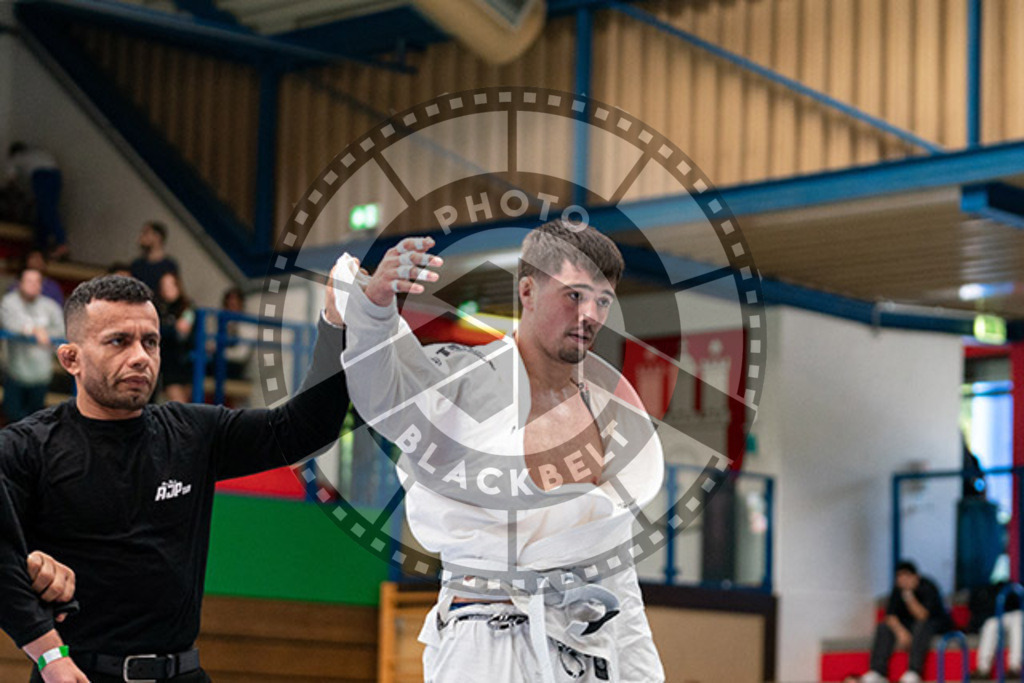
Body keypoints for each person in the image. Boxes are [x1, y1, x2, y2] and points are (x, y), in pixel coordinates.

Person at [339, 220, 665, 682]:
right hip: (483, 644)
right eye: (574, 295)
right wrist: (374, 308)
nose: (589, 314)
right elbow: (388, 397)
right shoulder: (467, 381)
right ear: (527, 291)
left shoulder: (610, 409)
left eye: (603, 300)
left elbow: (616, 573)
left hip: (581, 651)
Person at [0, 272, 350, 682]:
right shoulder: (25, 448)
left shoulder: (194, 433)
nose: (140, 357)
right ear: (70, 358)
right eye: (119, 341)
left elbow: (307, 429)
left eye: (150, 342)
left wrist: (335, 324)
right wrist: (48, 655)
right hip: (74, 673)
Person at [861, 560, 953, 683]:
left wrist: (908, 596)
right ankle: (878, 672)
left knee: (921, 626)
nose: (902, 580)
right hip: (909, 626)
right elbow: (890, 617)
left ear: (915, 577)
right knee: (883, 628)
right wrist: (901, 632)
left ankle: (913, 671)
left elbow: (922, 615)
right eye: (899, 577)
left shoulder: (928, 587)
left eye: (906, 576)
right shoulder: (897, 590)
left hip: (934, 624)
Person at [1, 268, 65, 423]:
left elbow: (61, 330)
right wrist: (32, 330)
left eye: (37, 282)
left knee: (34, 421)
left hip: (41, 375)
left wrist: (45, 333)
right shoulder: (9, 301)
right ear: (20, 283)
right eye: (29, 281)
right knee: (13, 418)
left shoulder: (50, 306)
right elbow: (9, 323)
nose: (33, 285)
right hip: (15, 374)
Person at [5, 143, 67, 259]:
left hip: (41, 176)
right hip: (56, 176)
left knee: (47, 211)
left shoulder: (17, 158)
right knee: (44, 212)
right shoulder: (38, 152)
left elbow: (11, 180)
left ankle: (61, 244)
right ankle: (41, 248)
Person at [156, 271, 195, 403]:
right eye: (164, 286)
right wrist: (172, 329)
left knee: (185, 405)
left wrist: (170, 329)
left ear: (178, 286)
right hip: (167, 364)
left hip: (184, 361)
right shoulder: (158, 308)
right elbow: (159, 331)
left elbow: (184, 329)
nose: (167, 290)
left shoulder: (187, 307)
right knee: (177, 404)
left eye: (170, 285)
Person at [973, 607, 1022, 679]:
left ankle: (1015, 668)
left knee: (1018, 621)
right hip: (1012, 612)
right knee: (991, 624)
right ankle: (983, 669)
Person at [129, 221, 178, 292]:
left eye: (145, 233)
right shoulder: (136, 265)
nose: (141, 237)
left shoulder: (169, 266)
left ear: (157, 237)